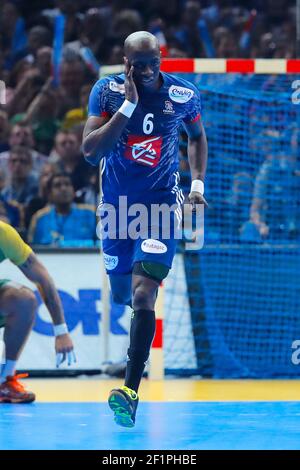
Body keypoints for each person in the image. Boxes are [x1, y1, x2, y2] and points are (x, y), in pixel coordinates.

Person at [83, 31, 208, 427]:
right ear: (125, 63)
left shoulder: (183, 95)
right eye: (139, 65)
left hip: (159, 204)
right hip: (117, 209)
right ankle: (136, 347)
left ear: (161, 58)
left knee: (143, 293)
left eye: (154, 62)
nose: (148, 70)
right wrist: (128, 106)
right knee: (123, 292)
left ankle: (130, 390)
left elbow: (197, 137)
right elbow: (90, 152)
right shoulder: (106, 92)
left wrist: (197, 185)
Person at [0, 220, 75, 403]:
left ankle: (4, 381)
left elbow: (42, 279)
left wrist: (61, 330)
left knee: (24, 300)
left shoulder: (4, 234)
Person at [28, 172, 96, 246]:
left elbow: (102, 245)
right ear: (50, 193)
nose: (63, 189)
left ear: (73, 191)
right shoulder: (39, 218)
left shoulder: (91, 214)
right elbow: (33, 248)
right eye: (57, 185)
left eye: (67, 184)